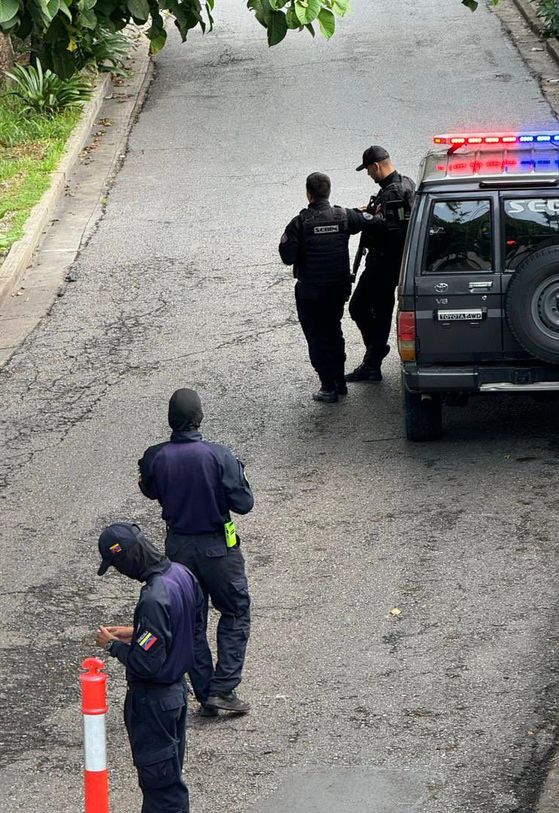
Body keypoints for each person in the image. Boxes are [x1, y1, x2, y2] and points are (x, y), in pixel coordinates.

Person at [138, 388, 254, 716]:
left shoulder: (154, 456)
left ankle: (206, 693)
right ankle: (224, 687)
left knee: (190, 619)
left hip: (178, 548)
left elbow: (149, 489)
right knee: (234, 611)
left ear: (171, 420)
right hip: (219, 547)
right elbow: (244, 504)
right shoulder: (219, 455)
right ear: (199, 418)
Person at [95, 522, 202, 813]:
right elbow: (186, 624)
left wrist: (112, 645)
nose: (119, 571)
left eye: (117, 564)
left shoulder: (153, 598)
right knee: (168, 779)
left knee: (162, 789)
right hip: (176, 694)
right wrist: (138, 631)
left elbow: (145, 664)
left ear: (128, 558)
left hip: (154, 702)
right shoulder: (181, 574)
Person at [279, 171, 382, 403]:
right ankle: (340, 382)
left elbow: (287, 256)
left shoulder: (300, 223)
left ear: (309, 194)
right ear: (328, 191)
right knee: (334, 332)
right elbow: (376, 224)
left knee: (317, 338)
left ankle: (328, 386)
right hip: (336, 291)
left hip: (311, 294)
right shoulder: (344, 216)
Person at [346, 146, 415, 382]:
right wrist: (374, 211)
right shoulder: (404, 182)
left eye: (368, 170)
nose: (368, 174)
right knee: (383, 313)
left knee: (357, 306)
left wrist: (368, 219)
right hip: (392, 264)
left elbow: (392, 233)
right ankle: (373, 363)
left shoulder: (392, 191)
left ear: (376, 166)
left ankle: (375, 352)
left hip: (384, 264)